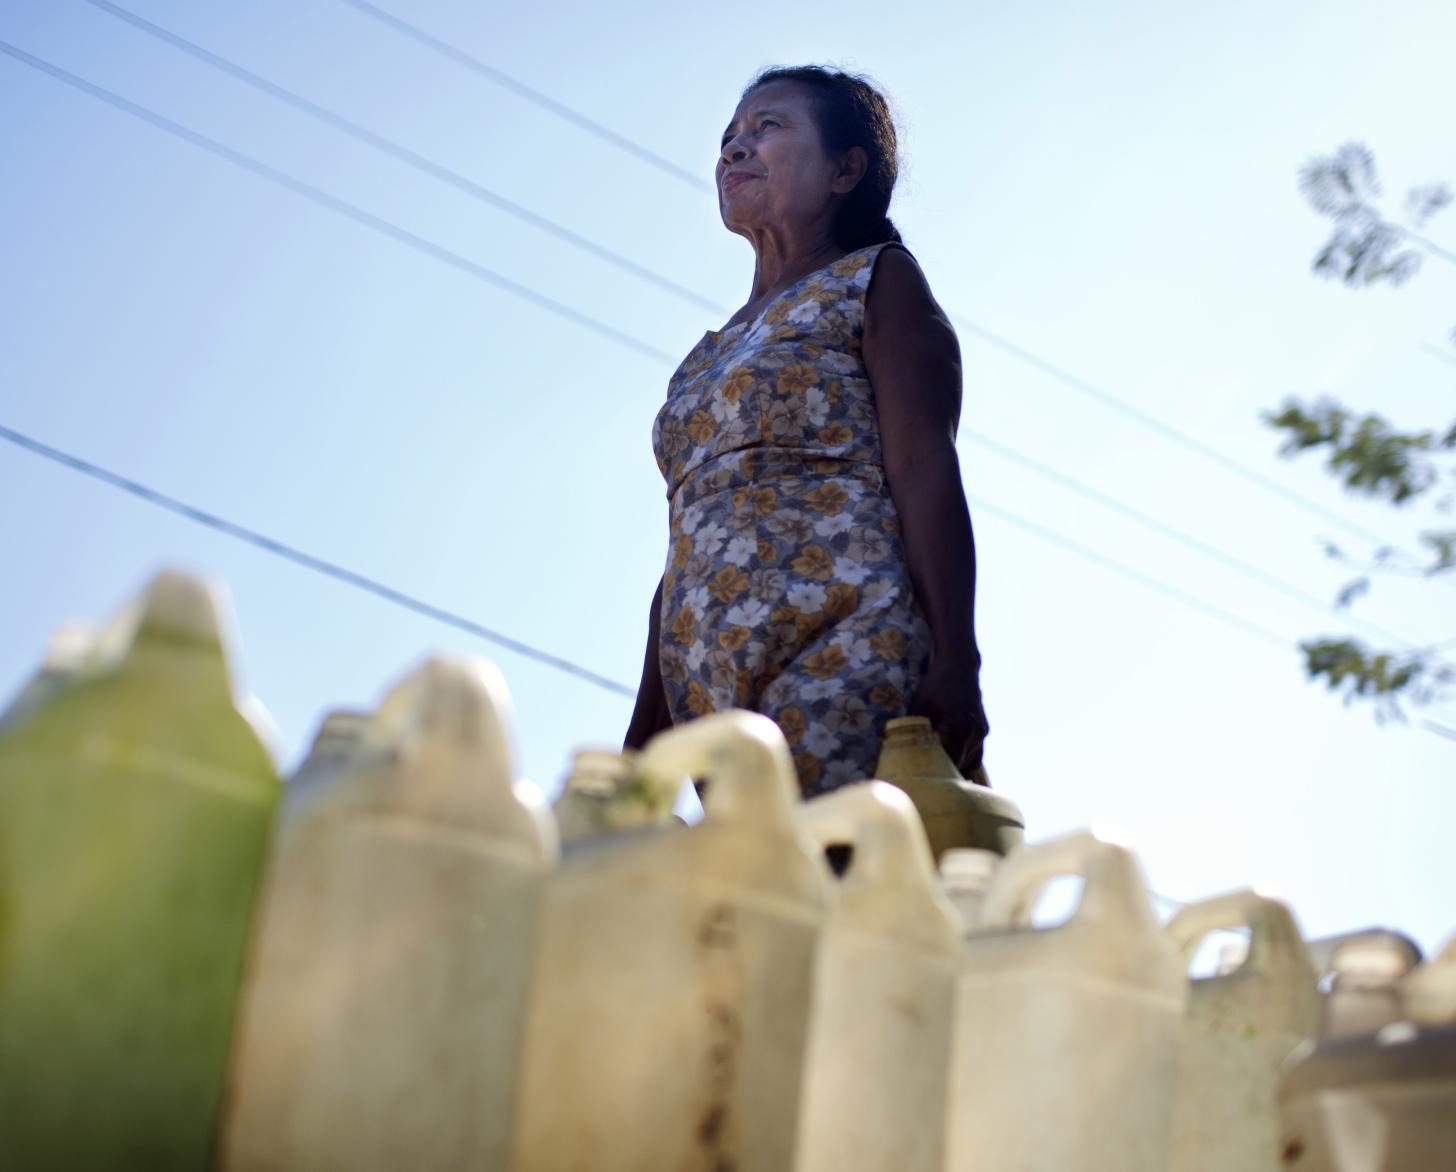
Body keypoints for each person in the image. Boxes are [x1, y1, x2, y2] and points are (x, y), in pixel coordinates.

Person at [624, 65, 987, 795]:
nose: (733, 149)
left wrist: (956, 659)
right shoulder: (709, 354)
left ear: (845, 170)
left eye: (767, 128)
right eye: (728, 136)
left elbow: (924, 467)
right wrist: (644, 729)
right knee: (751, 901)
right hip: (710, 694)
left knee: (822, 876)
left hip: (844, 646)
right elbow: (686, 541)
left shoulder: (876, 280)